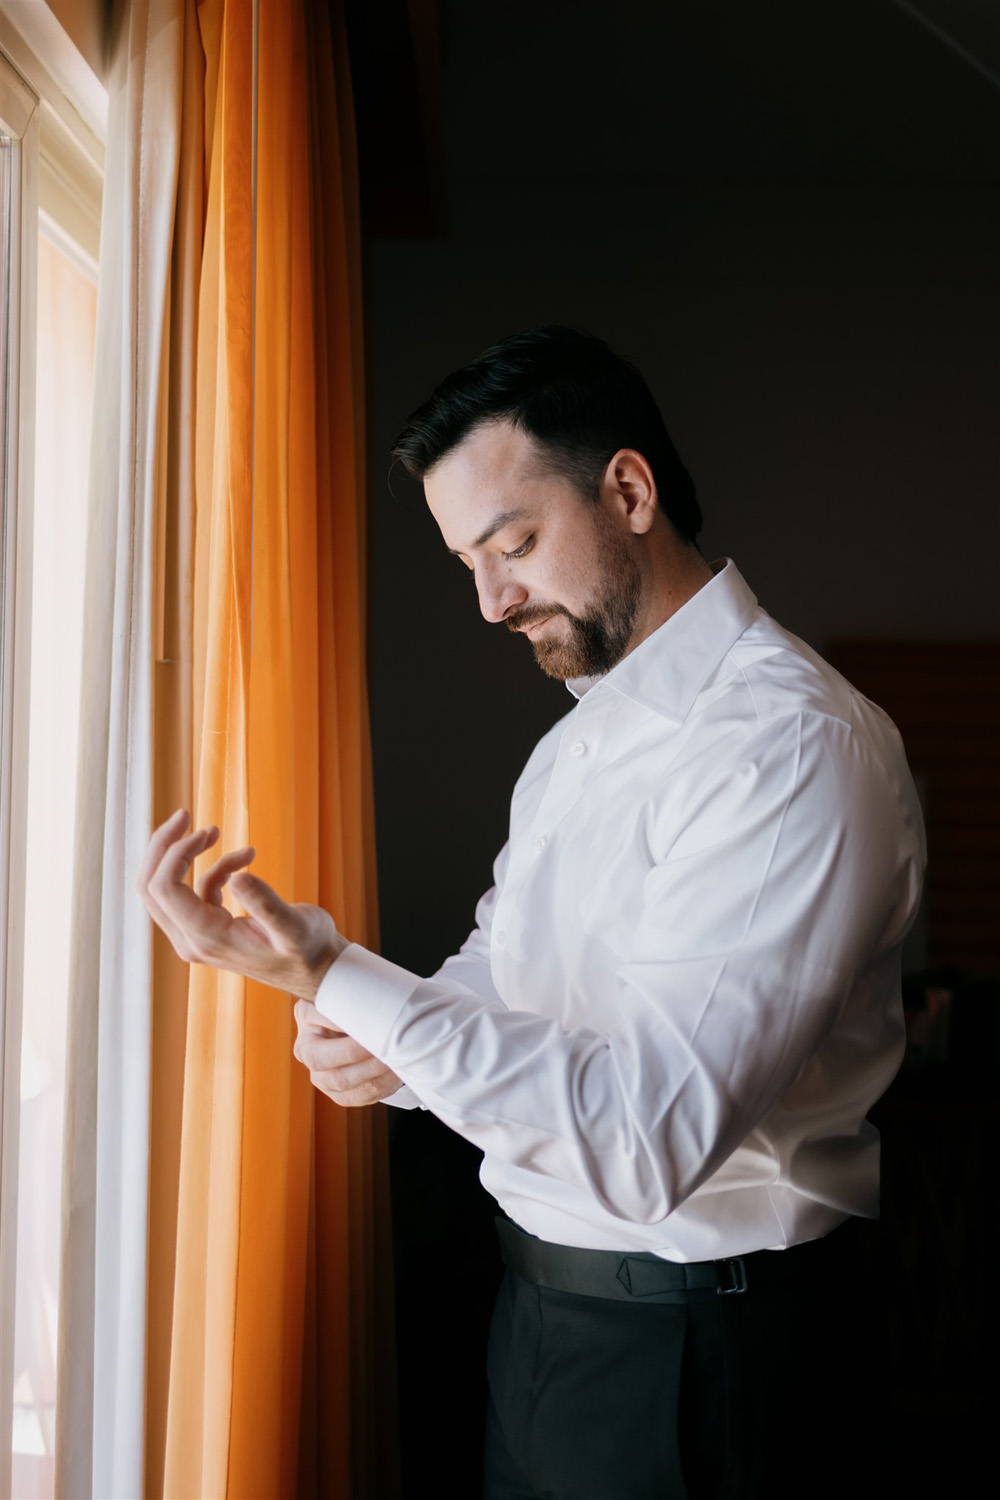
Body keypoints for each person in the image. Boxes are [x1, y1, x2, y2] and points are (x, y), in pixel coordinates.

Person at [138, 326, 925, 1499]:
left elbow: (643, 1138)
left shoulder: (786, 746)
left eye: (512, 544)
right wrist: (379, 1035)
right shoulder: (576, 744)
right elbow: (506, 963)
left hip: (707, 1360)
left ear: (628, 489)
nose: (491, 600)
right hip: (546, 1324)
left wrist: (340, 976)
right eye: (467, 561)